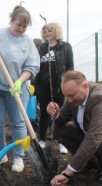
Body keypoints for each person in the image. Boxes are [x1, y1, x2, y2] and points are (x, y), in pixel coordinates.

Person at [0, 3, 40, 173]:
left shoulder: (28, 42)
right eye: (18, 25)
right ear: (11, 20)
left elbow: (33, 66)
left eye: (24, 27)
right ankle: (1, 152)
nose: (21, 29)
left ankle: (18, 157)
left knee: (18, 122)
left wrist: (20, 81)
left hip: (18, 88)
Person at [34, 22, 74, 154]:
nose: (47, 34)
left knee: (60, 113)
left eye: (50, 31)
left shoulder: (65, 47)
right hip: (43, 86)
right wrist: (35, 85)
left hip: (59, 86)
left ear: (56, 31)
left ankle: (62, 142)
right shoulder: (42, 48)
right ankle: (42, 139)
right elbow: (37, 67)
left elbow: (70, 66)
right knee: (44, 113)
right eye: (45, 31)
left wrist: (65, 82)